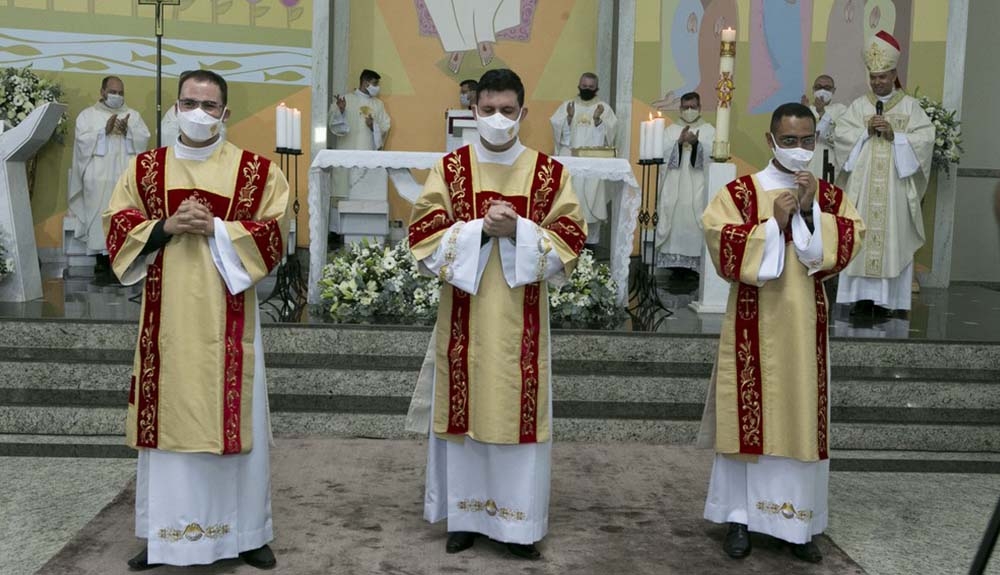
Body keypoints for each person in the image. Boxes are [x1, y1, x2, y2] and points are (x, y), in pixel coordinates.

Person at [102, 70, 289, 570]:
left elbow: (274, 236)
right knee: (168, 424)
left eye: (210, 105)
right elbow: (116, 227)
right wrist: (164, 227)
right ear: (175, 107)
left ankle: (247, 533)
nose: (199, 113)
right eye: (190, 102)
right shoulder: (145, 170)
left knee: (239, 419)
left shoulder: (256, 172)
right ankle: (165, 536)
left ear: (225, 113)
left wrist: (218, 230)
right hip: (167, 328)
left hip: (231, 330)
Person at [410, 68, 586, 561]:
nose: (497, 120)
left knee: (516, 412)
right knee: (466, 408)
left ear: (524, 113)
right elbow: (422, 236)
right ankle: (464, 518)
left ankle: (518, 524)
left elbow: (571, 236)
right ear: (473, 111)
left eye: (508, 111)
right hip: (464, 319)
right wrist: (481, 232)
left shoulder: (550, 174)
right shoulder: (450, 170)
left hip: (521, 322)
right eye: (487, 110)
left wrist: (520, 232)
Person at [699, 102, 864, 563]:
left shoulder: (828, 197)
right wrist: (774, 224)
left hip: (804, 326)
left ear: (816, 141)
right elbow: (721, 242)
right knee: (748, 416)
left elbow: (849, 240)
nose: (798, 150)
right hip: (754, 323)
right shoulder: (741, 192)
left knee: (800, 417)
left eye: (807, 140)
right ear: (770, 141)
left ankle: (799, 524)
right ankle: (739, 519)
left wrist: (810, 213)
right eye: (788, 141)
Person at [834, 31, 934, 318]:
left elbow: (925, 139)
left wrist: (897, 136)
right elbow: (842, 135)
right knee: (861, 237)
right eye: (873, 76)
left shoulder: (910, 107)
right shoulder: (858, 107)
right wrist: (863, 133)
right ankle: (859, 299)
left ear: (894, 74)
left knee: (892, 239)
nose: (878, 82)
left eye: (883, 76)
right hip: (863, 189)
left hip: (894, 189)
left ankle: (889, 301)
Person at [68, 76, 150, 280]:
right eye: (113, 92)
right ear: (102, 92)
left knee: (124, 214)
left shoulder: (133, 115)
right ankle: (102, 262)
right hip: (98, 176)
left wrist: (128, 132)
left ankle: (124, 259)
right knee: (100, 216)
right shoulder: (88, 116)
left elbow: (144, 139)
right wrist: (102, 132)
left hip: (124, 174)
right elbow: (82, 141)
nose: (117, 96)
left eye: (121, 93)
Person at [549, 72, 617, 244]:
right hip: (571, 160)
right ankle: (567, 239)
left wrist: (598, 120)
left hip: (593, 162)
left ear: (597, 88)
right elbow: (560, 135)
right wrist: (569, 118)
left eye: (590, 87)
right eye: (584, 86)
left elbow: (611, 135)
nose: (587, 89)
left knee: (592, 203)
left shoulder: (603, 108)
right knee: (570, 199)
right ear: (579, 86)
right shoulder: (568, 105)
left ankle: (590, 244)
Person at [654, 91, 714, 281]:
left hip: (697, 186)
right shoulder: (670, 131)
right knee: (676, 220)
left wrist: (697, 144)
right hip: (674, 186)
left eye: (693, 107)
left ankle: (693, 267)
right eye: (686, 107)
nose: (689, 111)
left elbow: (713, 155)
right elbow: (660, 154)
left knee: (693, 221)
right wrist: (678, 143)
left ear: (700, 108)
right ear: (680, 108)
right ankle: (675, 267)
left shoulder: (709, 130)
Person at [328, 69, 391, 200]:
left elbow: (386, 126)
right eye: (375, 84)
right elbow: (334, 127)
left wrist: (374, 126)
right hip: (347, 156)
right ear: (365, 82)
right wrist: (341, 111)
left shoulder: (378, 105)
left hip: (367, 158)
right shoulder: (345, 100)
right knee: (344, 199)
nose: (377, 87)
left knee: (366, 199)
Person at [800, 74, 847, 182]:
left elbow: (841, 137)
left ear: (833, 90)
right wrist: (802, 113)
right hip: (808, 162)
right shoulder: (807, 109)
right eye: (818, 87)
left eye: (827, 88)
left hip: (829, 161)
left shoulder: (841, 110)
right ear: (813, 89)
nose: (822, 90)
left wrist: (822, 113)